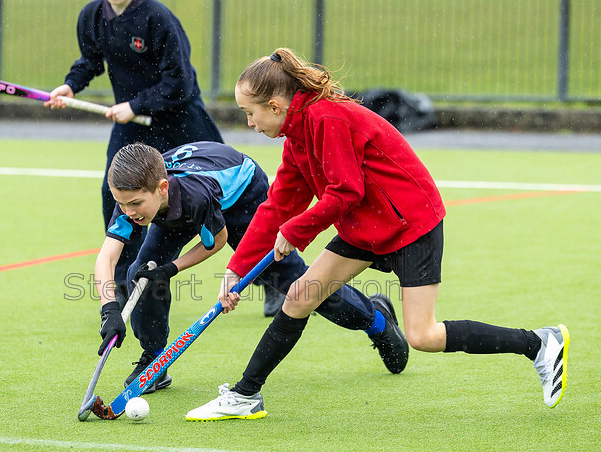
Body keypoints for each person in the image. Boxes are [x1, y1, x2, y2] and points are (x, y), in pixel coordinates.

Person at [185, 48, 570, 421]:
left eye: (249, 114)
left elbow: (345, 191)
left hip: (410, 223)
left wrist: (296, 231)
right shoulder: (297, 136)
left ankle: (539, 343)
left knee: (424, 335)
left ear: (275, 105)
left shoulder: (327, 119)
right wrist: (237, 269)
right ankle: (245, 395)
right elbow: (277, 206)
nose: (249, 124)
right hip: (364, 225)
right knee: (301, 296)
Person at [94, 141, 410, 396]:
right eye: (123, 204)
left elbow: (216, 241)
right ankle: (154, 361)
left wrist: (171, 269)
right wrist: (110, 309)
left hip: (243, 197)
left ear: (161, 188)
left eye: (135, 204)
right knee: (142, 274)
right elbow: (106, 257)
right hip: (176, 207)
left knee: (298, 287)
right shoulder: (133, 195)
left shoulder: (192, 197)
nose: (128, 211)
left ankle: (377, 320)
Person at [45, 0, 224, 305]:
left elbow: (180, 81)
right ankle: (130, 285)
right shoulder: (92, 16)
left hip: (181, 119)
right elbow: (90, 62)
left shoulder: (158, 19)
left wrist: (137, 102)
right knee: (116, 198)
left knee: (228, 199)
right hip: (132, 124)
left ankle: (276, 279)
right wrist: (70, 86)